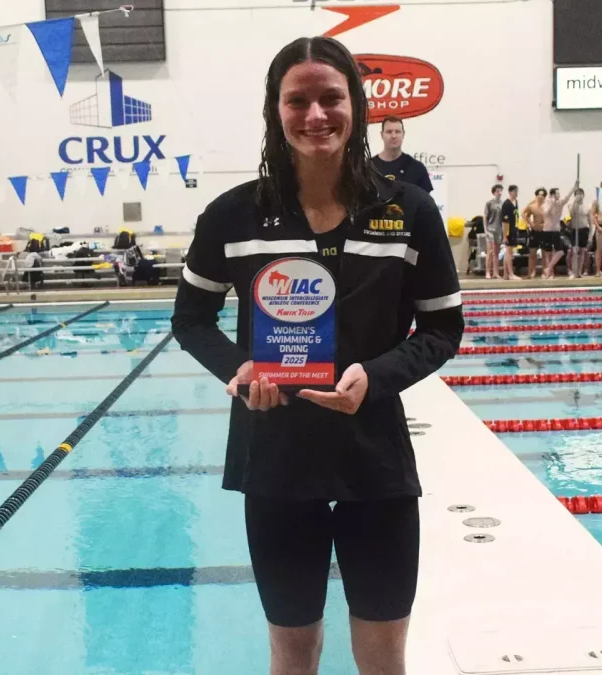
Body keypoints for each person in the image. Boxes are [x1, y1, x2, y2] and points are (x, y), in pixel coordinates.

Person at [171, 36, 464, 675]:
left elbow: (444, 328)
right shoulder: (233, 215)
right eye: (297, 100)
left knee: (384, 655)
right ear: (275, 111)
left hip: (375, 459)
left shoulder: (406, 210)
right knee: (293, 651)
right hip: (275, 458)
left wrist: (378, 376)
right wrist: (237, 368)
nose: (315, 116)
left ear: (355, 105)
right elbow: (191, 319)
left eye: (330, 98)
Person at [371, 116, 433, 194]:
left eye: (397, 132)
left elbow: (426, 204)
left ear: (403, 134)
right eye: (389, 132)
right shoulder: (369, 168)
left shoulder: (417, 168)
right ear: (382, 135)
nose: (394, 136)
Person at [565, 186, 591, 279]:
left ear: (583, 195)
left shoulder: (588, 206)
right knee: (575, 251)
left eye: (580, 194)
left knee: (582, 252)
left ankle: (579, 272)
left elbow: (590, 222)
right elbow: (571, 214)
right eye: (577, 194)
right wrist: (575, 202)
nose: (579, 195)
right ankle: (573, 271)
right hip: (575, 230)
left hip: (584, 230)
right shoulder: (571, 205)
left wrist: (590, 236)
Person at [500, 185, 521, 280]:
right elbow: (504, 222)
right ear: (510, 192)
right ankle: (511, 274)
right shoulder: (506, 204)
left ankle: (505, 274)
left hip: (514, 228)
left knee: (508, 252)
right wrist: (504, 236)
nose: (516, 193)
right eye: (515, 191)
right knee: (509, 252)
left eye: (517, 191)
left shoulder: (516, 202)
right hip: (508, 231)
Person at [483, 184, 504, 279]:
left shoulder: (503, 203)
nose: (500, 193)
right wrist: (485, 229)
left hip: (499, 230)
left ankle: (496, 272)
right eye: (498, 191)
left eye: (501, 191)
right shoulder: (489, 203)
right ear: (494, 192)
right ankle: (487, 272)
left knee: (497, 252)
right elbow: (485, 217)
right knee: (490, 251)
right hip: (490, 229)